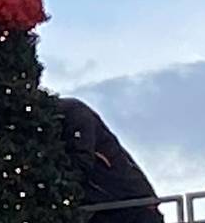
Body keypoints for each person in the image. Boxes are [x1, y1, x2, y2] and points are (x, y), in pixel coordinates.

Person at [56, 93, 163, 223]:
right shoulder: (70, 113)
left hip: (128, 203)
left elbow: (81, 163)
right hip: (102, 205)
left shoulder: (73, 113)